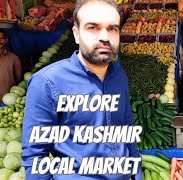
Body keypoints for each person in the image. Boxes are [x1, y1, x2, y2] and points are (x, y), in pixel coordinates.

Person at [21, 0, 141, 179]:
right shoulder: (47, 82)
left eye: (112, 29)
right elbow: (35, 156)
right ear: (76, 34)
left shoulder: (119, 77)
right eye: (93, 27)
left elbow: (126, 127)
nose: (105, 37)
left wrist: (136, 173)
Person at [0, 29, 22, 102]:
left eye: (1, 38)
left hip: (7, 100)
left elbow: (18, 79)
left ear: (6, 40)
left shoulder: (14, 58)